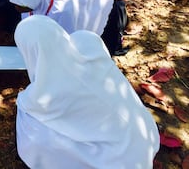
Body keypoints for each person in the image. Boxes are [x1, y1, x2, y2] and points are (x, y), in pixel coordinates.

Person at [14, 15, 160, 169]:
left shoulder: (43, 96)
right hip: (146, 136)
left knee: (31, 128)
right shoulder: (89, 48)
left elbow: (27, 106)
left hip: (121, 162)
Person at [9, 0, 129, 56]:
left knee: (107, 28)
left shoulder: (61, 12)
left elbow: (69, 42)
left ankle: (119, 11)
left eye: (20, 6)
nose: (16, 8)